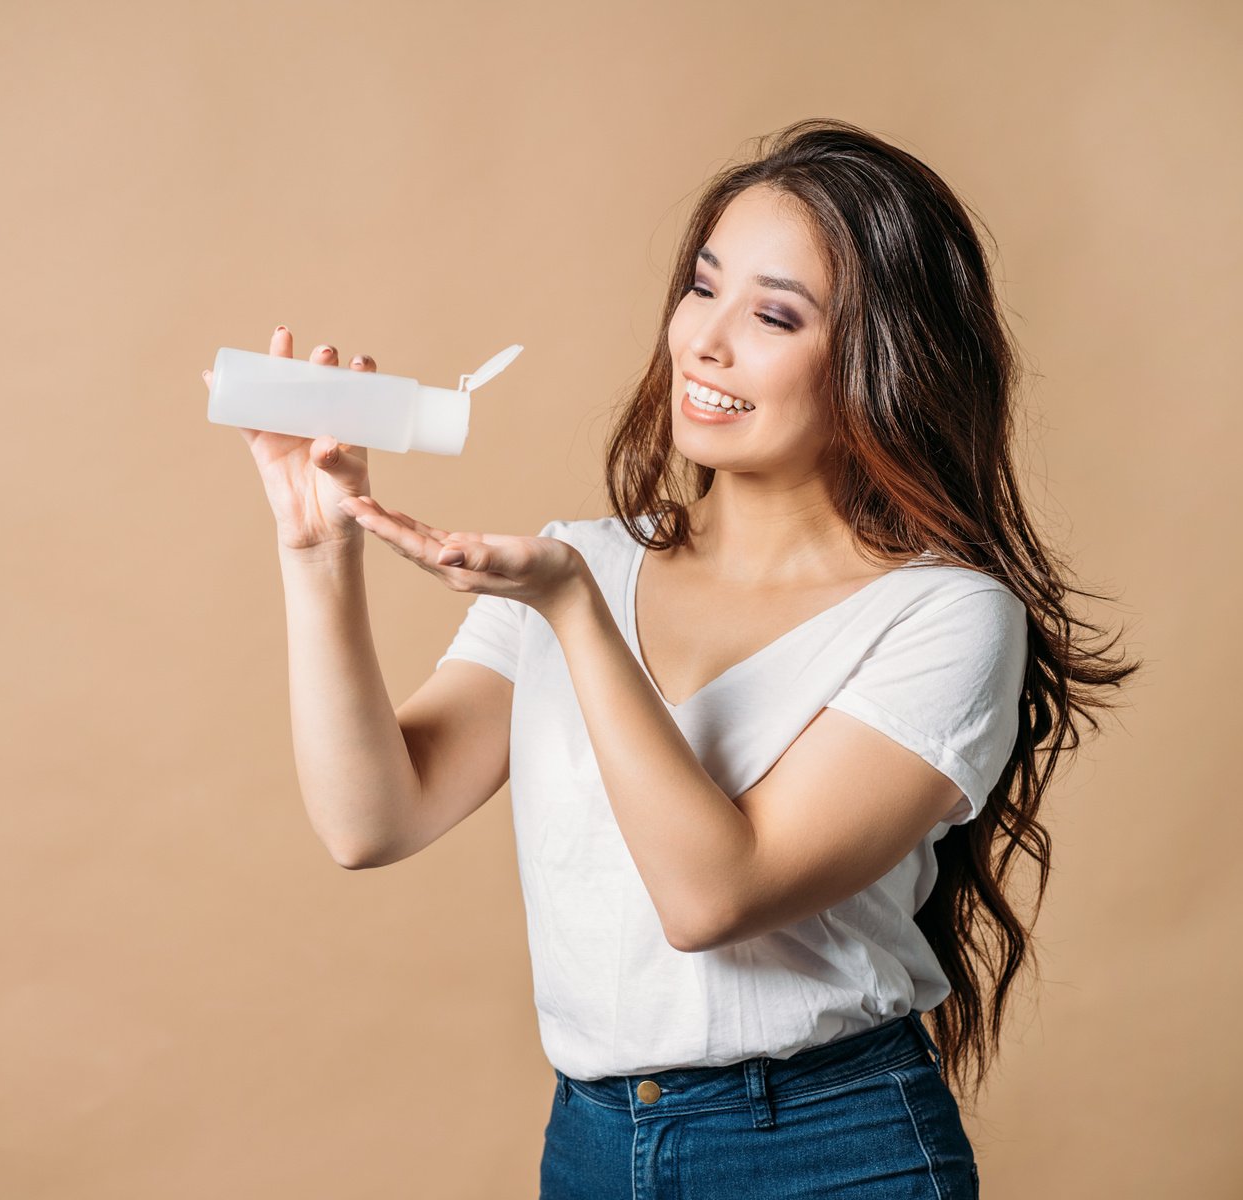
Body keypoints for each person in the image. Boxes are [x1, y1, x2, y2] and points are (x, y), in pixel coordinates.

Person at [208, 117, 1140, 1199]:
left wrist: (574, 610)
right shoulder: (579, 560)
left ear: (882, 361)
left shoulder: (944, 619)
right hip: (597, 1144)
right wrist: (317, 547)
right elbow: (372, 818)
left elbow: (711, 897)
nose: (705, 340)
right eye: (702, 288)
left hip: (827, 1153)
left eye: (775, 314)